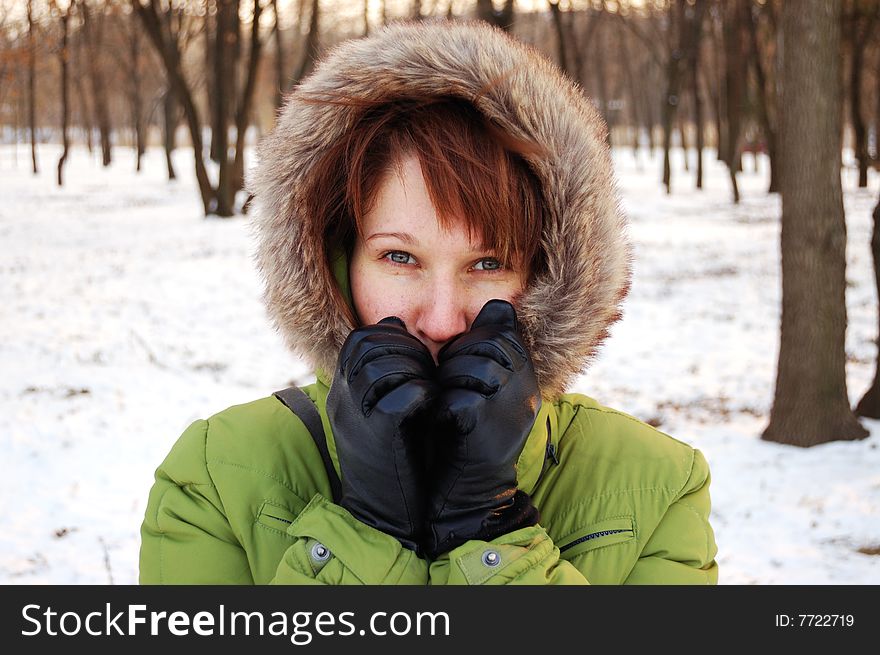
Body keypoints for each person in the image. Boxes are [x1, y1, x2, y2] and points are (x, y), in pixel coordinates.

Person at [139, 19, 718, 585]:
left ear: (548, 274)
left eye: (488, 264)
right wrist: (368, 535)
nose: (441, 319)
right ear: (334, 265)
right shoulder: (214, 478)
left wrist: (490, 536)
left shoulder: (658, 487)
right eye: (400, 258)